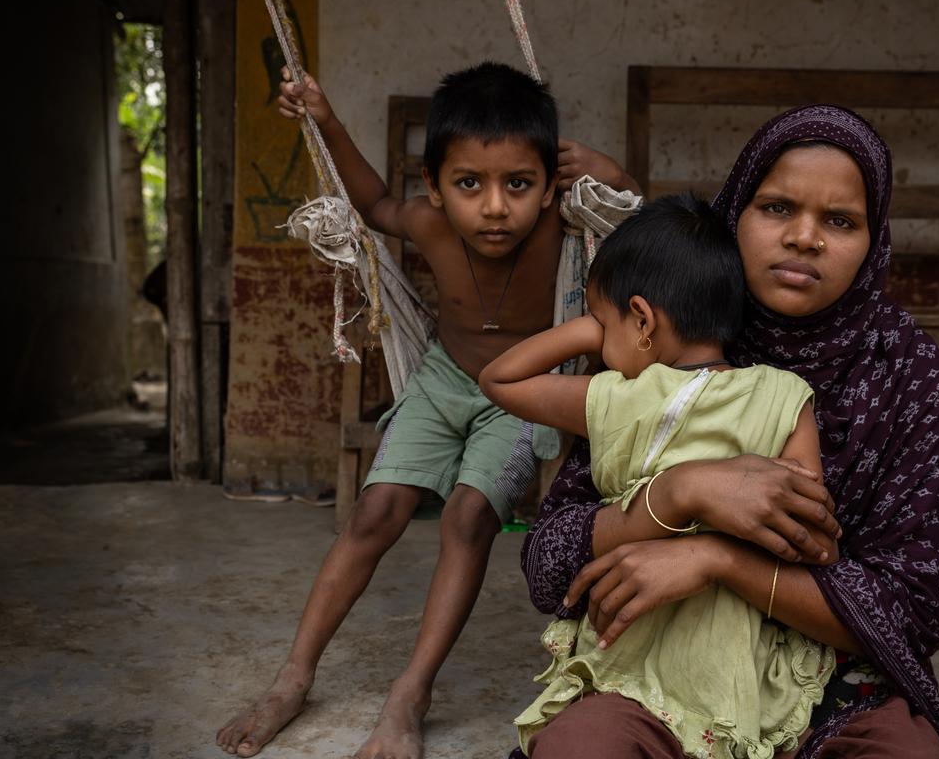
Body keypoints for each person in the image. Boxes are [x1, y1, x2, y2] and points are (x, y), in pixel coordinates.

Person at [513, 105, 939, 758]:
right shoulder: (659, 340)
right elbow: (548, 565)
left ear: (875, 242)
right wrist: (679, 494)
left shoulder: (912, 377)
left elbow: (909, 612)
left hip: (836, 689)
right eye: (777, 208)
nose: (805, 238)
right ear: (734, 215)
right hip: (658, 675)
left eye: (840, 221)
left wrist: (716, 560)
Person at [215, 61, 635, 759]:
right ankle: (293, 677)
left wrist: (612, 173)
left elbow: (637, 219)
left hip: (524, 391)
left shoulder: (568, 227)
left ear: (551, 186)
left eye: (518, 184)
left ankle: (411, 692)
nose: (495, 207)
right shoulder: (428, 224)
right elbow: (375, 203)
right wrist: (323, 118)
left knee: (469, 520)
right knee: (374, 514)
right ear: (437, 188)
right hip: (439, 379)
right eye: (469, 184)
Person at [480, 192, 837, 758]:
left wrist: (588, 331)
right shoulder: (785, 395)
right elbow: (811, 532)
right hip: (740, 655)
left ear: (642, 319)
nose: (599, 343)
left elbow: (500, 380)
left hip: (633, 641)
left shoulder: (622, 399)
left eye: (604, 320)